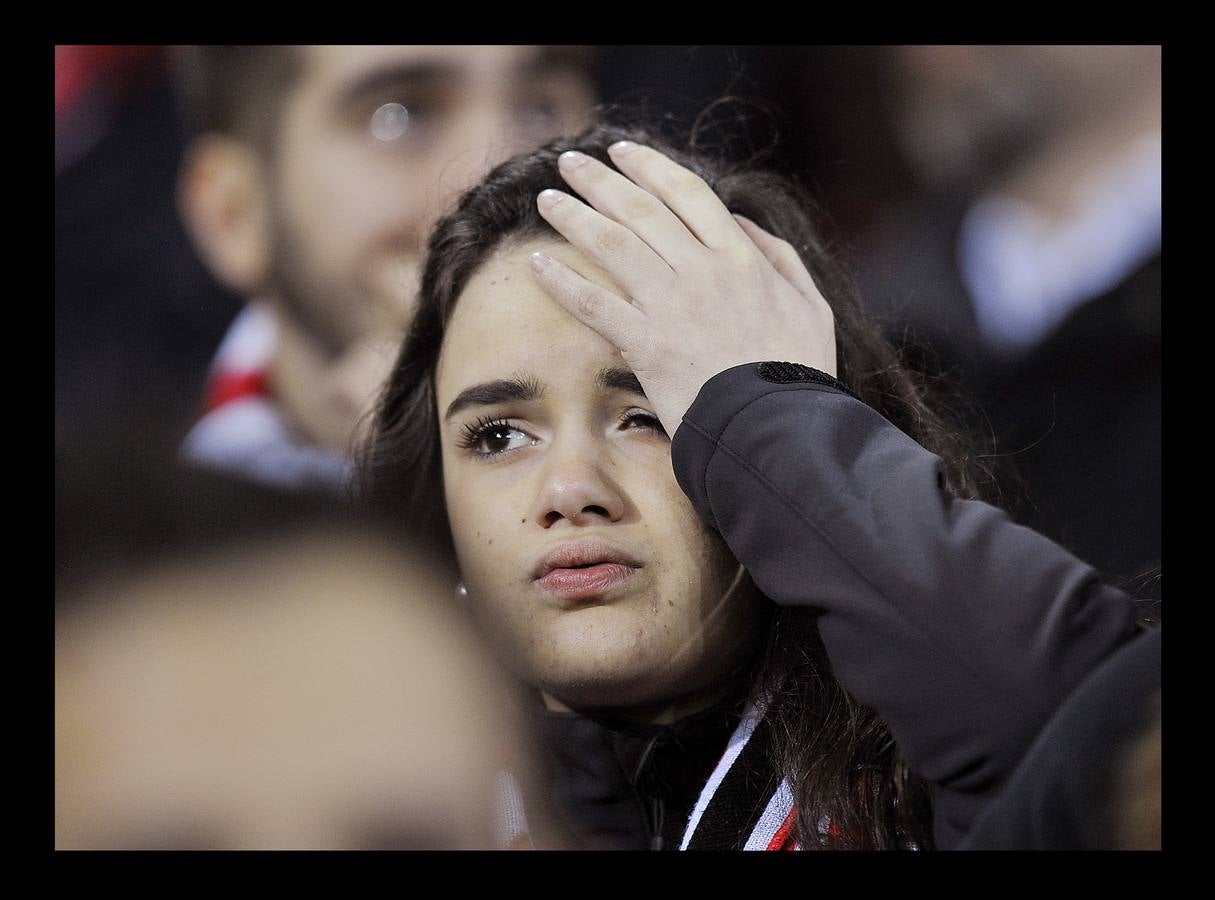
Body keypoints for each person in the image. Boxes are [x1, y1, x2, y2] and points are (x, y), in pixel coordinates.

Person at [360, 123, 1156, 850]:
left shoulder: (924, 800)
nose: (570, 489)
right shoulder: (336, 805)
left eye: (651, 415)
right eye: (498, 436)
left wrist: (776, 409)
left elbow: (1105, 741)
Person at [171, 45, 596, 493]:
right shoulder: (132, 537)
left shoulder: (676, 416)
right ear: (234, 213)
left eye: (540, 108)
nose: (494, 171)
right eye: (401, 115)